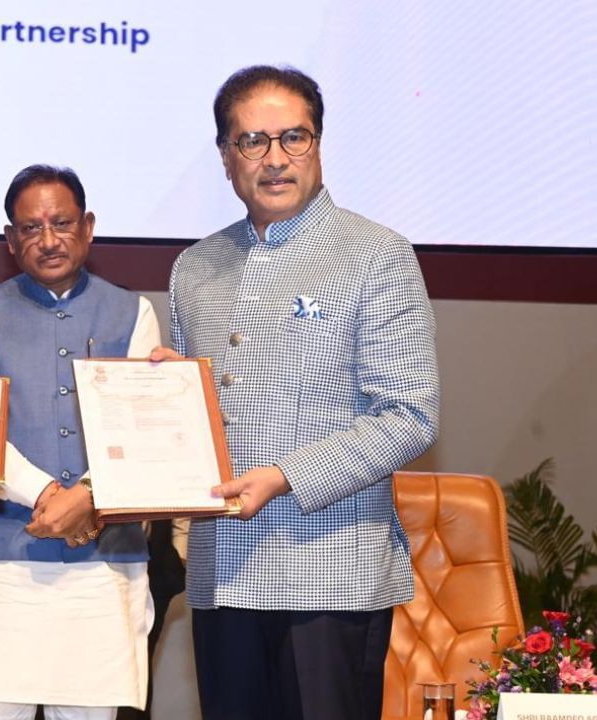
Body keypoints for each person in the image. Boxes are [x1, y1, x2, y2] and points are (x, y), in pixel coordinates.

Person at [162, 65, 440, 720]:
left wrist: (285, 477)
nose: (276, 158)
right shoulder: (195, 267)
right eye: (253, 141)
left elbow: (409, 414)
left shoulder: (376, 255)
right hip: (223, 574)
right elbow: (199, 413)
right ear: (226, 156)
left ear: (317, 143)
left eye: (294, 137)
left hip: (329, 575)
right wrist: (163, 397)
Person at [0, 164, 160, 720]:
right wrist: (46, 494)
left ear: (88, 227)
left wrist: (87, 495)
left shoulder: (133, 313)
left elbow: (141, 432)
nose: (48, 239)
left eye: (61, 223)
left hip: (102, 567)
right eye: (30, 228)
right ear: (10, 240)